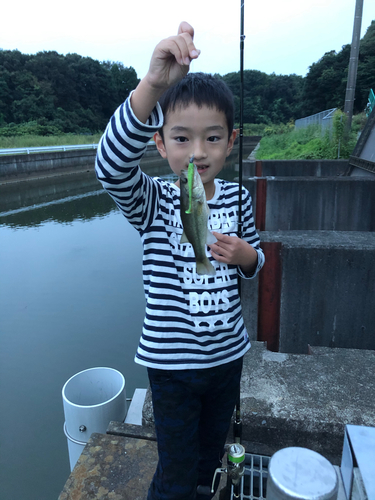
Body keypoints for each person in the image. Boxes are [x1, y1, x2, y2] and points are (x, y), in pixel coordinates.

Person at [95, 21, 265, 500]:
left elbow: (257, 265)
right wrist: (151, 86)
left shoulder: (240, 197)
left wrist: (248, 255)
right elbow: (109, 168)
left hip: (227, 359)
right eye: (182, 138)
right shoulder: (153, 202)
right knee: (174, 470)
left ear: (231, 141)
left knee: (210, 458)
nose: (197, 152)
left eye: (212, 138)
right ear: (161, 144)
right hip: (170, 368)